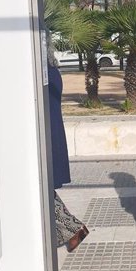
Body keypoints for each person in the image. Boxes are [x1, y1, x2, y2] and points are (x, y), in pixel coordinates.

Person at [45, 30, 88, 251]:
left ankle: (74, 228)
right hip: (51, 136)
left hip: (46, 138)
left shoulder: (44, 75)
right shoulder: (52, 71)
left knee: (41, 187)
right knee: (42, 188)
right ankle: (72, 230)